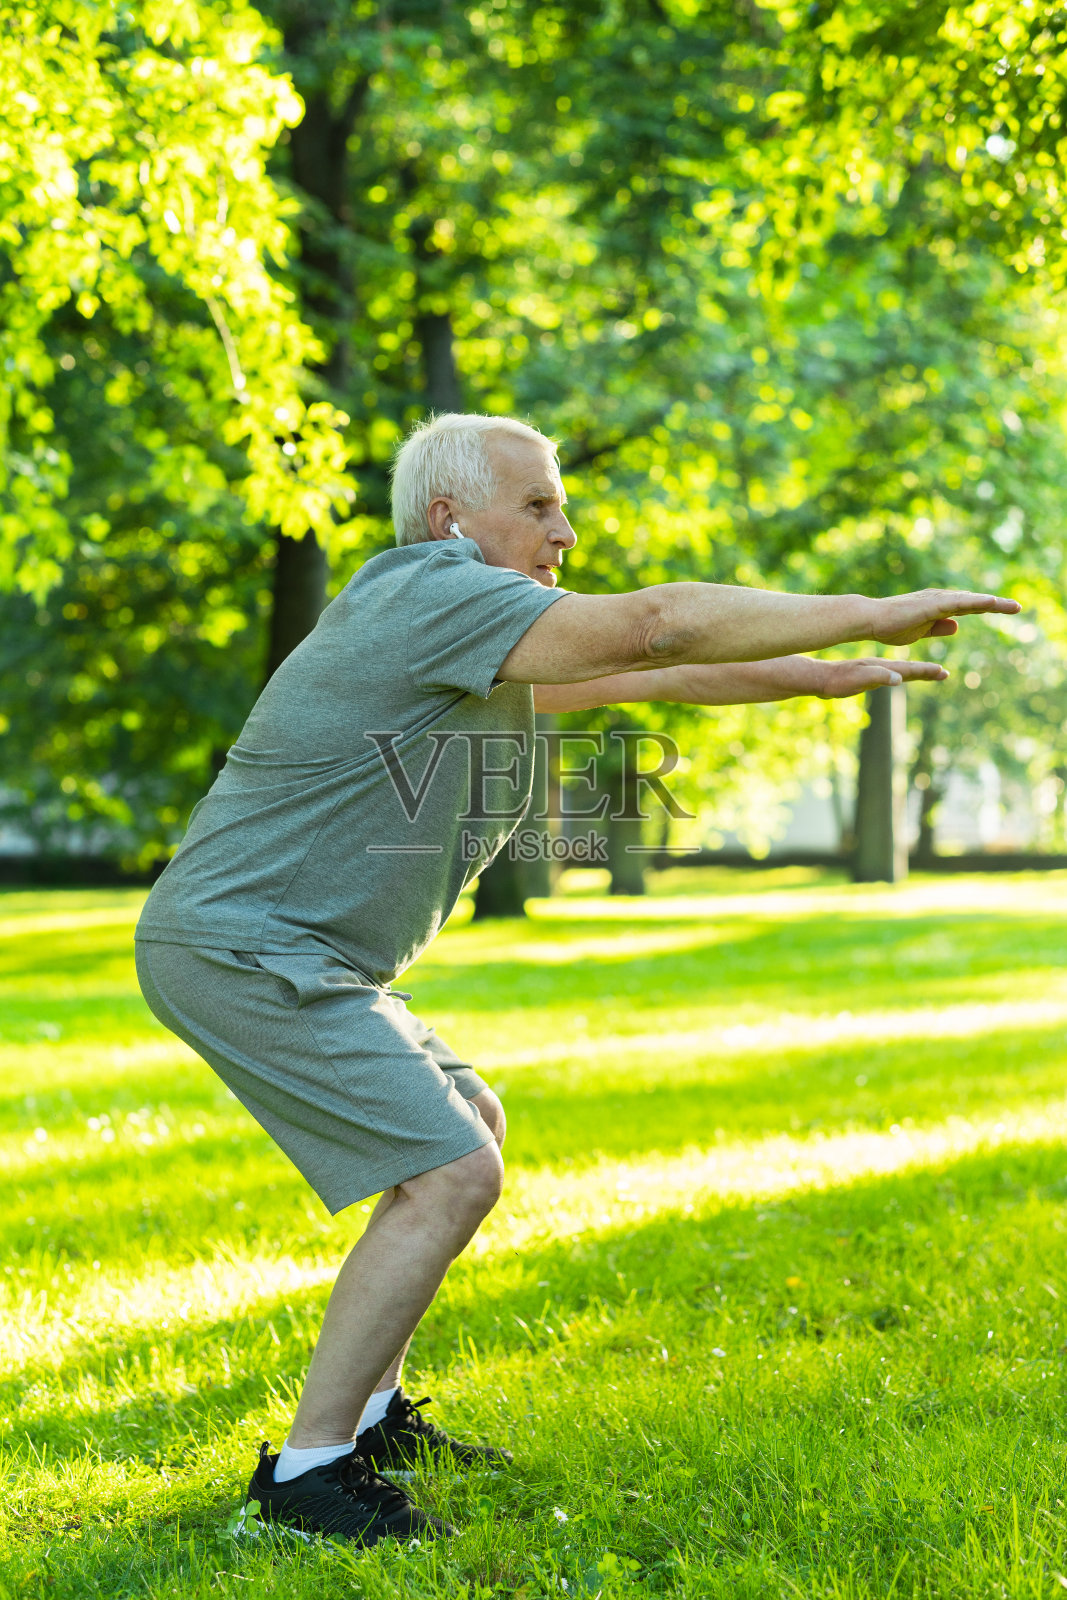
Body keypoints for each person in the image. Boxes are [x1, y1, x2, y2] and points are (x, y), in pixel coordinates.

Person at [133, 412, 1018, 1547]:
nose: (565, 528)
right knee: (452, 1172)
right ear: (451, 520)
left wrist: (823, 673)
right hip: (241, 945)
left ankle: (370, 1417)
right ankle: (306, 1478)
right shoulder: (425, 595)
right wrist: (866, 603)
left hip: (296, 949)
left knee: (468, 1121)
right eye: (540, 504)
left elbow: (656, 678)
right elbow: (654, 627)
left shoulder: (458, 636)